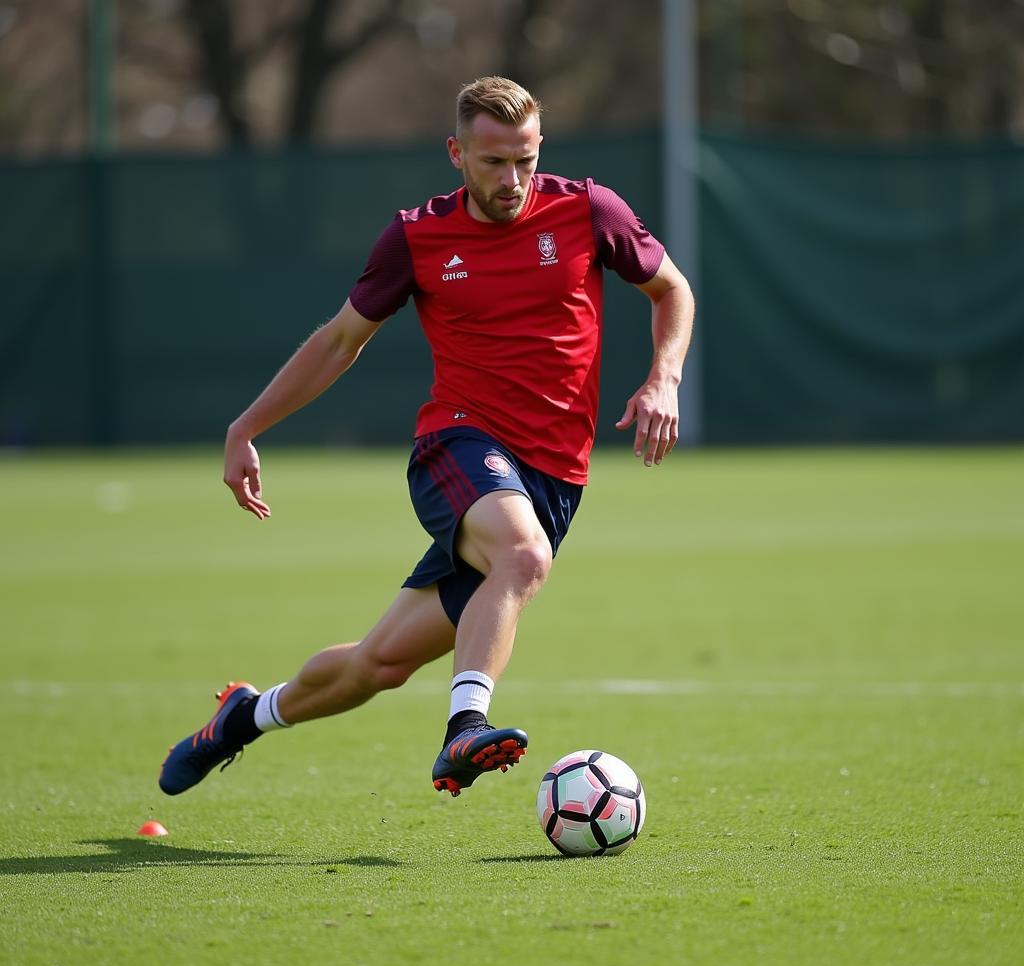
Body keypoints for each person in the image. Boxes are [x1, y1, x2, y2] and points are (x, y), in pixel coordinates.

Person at [159, 76, 694, 799]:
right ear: (456, 153)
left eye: (526, 161)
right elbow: (339, 340)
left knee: (374, 667)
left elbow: (672, 290)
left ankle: (243, 717)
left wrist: (664, 377)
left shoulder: (588, 209)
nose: (512, 180)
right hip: (459, 445)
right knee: (523, 554)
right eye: (493, 161)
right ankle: (464, 726)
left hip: (556, 476)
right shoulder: (417, 237)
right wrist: (247, 425)